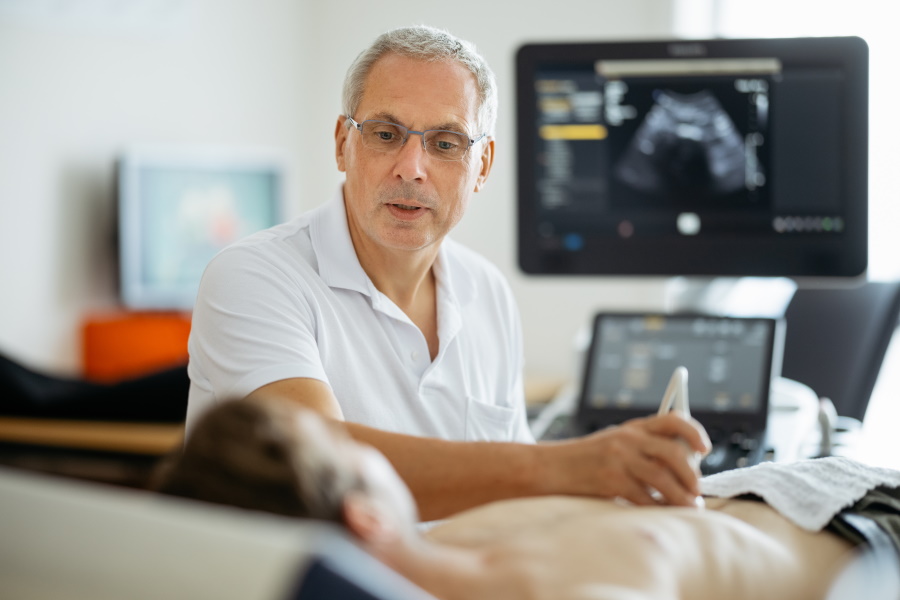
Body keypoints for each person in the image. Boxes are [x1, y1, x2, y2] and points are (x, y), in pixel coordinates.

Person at [184, 24, 710, 521]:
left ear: (481, 166)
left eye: (445, 143)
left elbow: (514, 497)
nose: (412, 167)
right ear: (343, 143)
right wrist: (571, 465)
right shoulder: (254, 277)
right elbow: (319, 465)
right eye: (387, 134)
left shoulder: (488, 293)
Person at [157, 398, 900, 600]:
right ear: (366, 515)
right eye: (355, 452)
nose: (376, 451)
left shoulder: (435, 551)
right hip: (869, 542)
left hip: (783, 488)